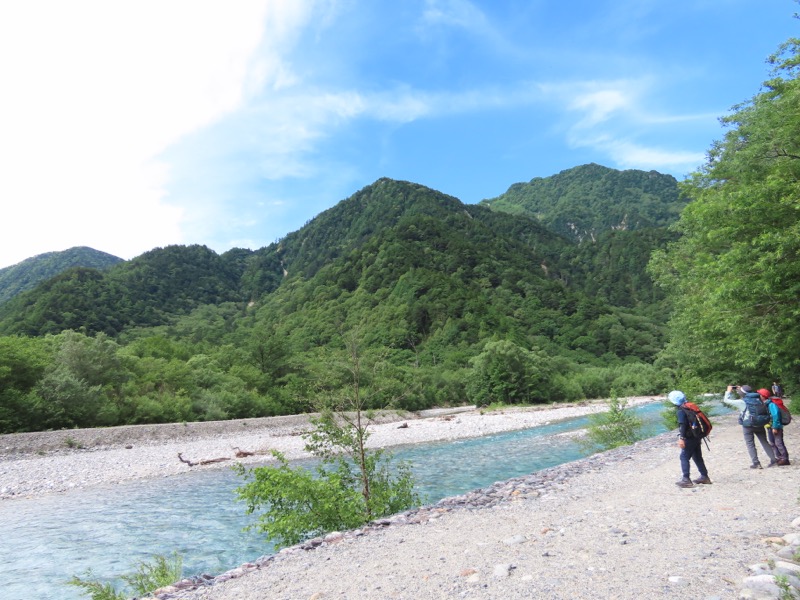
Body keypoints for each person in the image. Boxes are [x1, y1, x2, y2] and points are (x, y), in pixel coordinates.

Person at [669, 390, 711, 488]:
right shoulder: (690, 407)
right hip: (696, 436)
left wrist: (681, 438)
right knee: (697, 456)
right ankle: (704, 476)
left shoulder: (681, 411)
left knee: (684, 457)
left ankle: (686, 479)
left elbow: (683, 425)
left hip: (689, 437)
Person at [731, 385, 777, 469]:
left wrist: (728, 391)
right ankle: (774, 460)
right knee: (764, 442)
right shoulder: (758, 398)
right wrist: (741, 389)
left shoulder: (743, 401)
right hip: (759, 423)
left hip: (748, 425)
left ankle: (756, 463)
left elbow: (726, 400)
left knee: (750, 444)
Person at [759, 388, 791, 466]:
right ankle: (779, 458)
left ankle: (784, 459)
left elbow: (775, 415)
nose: (758, 396)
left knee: (778, 442)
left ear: (763, 396)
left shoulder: (771, 404)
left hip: (775, 427)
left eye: (759, 394)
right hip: (770, 426)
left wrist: (775, 427)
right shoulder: (766, 403)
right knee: (773, 443)